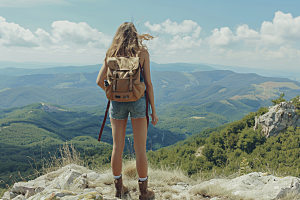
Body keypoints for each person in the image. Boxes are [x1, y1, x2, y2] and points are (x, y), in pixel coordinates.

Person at [96, 22, 159, 200]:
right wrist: (153, 110)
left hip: (116, 103)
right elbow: (149, 84)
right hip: (138, 101)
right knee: (140, 149)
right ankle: (144, 192)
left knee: (117, 147)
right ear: (135, 35)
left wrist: (112, 93)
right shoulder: (142, 53)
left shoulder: (111, 54)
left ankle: (119, 189)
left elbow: (99, 81)